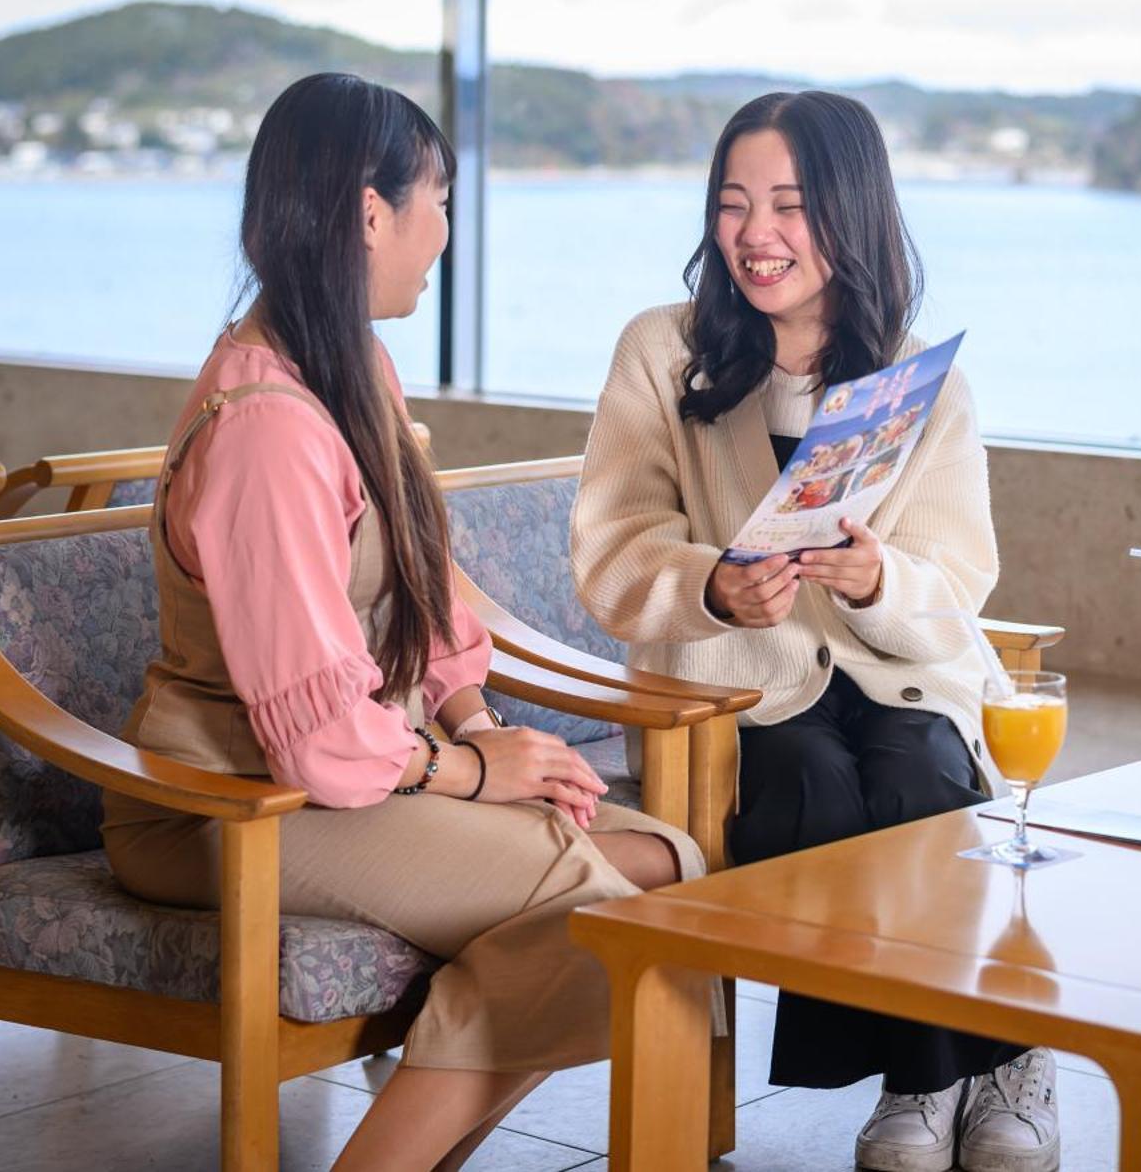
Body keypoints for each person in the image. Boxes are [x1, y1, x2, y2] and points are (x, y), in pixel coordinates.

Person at [100, 72, 699, 1172]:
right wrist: (473, 775)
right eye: (437, 201)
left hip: (356, 779)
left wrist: (476, 729)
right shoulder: (266, 428)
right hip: (228, 803)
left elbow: (423, 595)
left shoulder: (349, 369)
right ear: (370, 214)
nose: (443, 235)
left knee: (667, 861)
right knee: (600, 908)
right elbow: (321, 734)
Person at [571, 90, 1060, 1172]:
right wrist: (710, 585)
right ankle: (936, 1075)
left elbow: (959, 575)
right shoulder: (663, 352)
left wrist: (880, 574)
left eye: (788, 205)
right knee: (810, 787)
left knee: (925, 778)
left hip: (898, 672)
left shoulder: (922, 378)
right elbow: (611, 546)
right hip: (736, 687)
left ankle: (1001, 1060)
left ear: (849, 214)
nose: (756, 234)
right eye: (734, 204)